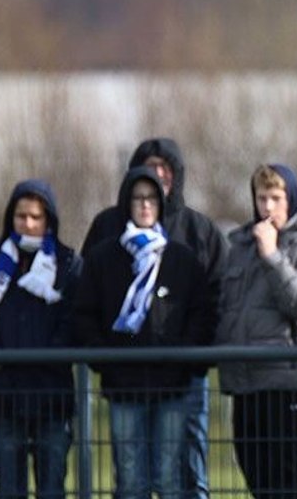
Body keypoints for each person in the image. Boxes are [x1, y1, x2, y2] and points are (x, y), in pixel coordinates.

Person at [81, 137, 227, 499]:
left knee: (178, 474)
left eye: (164, 169)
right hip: (124, 380)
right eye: (147, 171)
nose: (155, 179)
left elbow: (209, 303)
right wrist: (105, 360)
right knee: (129, 478)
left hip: (180, 380)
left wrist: (190, 359)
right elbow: (85, 304)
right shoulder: (106, 239)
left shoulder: (195, 236)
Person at [0, 180, 82, 499]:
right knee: (9, 489)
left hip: (52, 396)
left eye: (35, 217)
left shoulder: (68, 264)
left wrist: (50, 358)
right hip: (5, 396)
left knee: (52, 487)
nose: (27, 224)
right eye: (20, 216)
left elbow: (74, 320)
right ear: (10, 218)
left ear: (49, 220)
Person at [216, 164, 297, 499]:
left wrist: (272, 255)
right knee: (258, 481)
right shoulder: (239, 247)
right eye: (261, 198)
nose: (267, 207)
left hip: (287, 383)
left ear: (290, 200)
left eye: (275, 198)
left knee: (287, 483)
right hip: (246, 383)